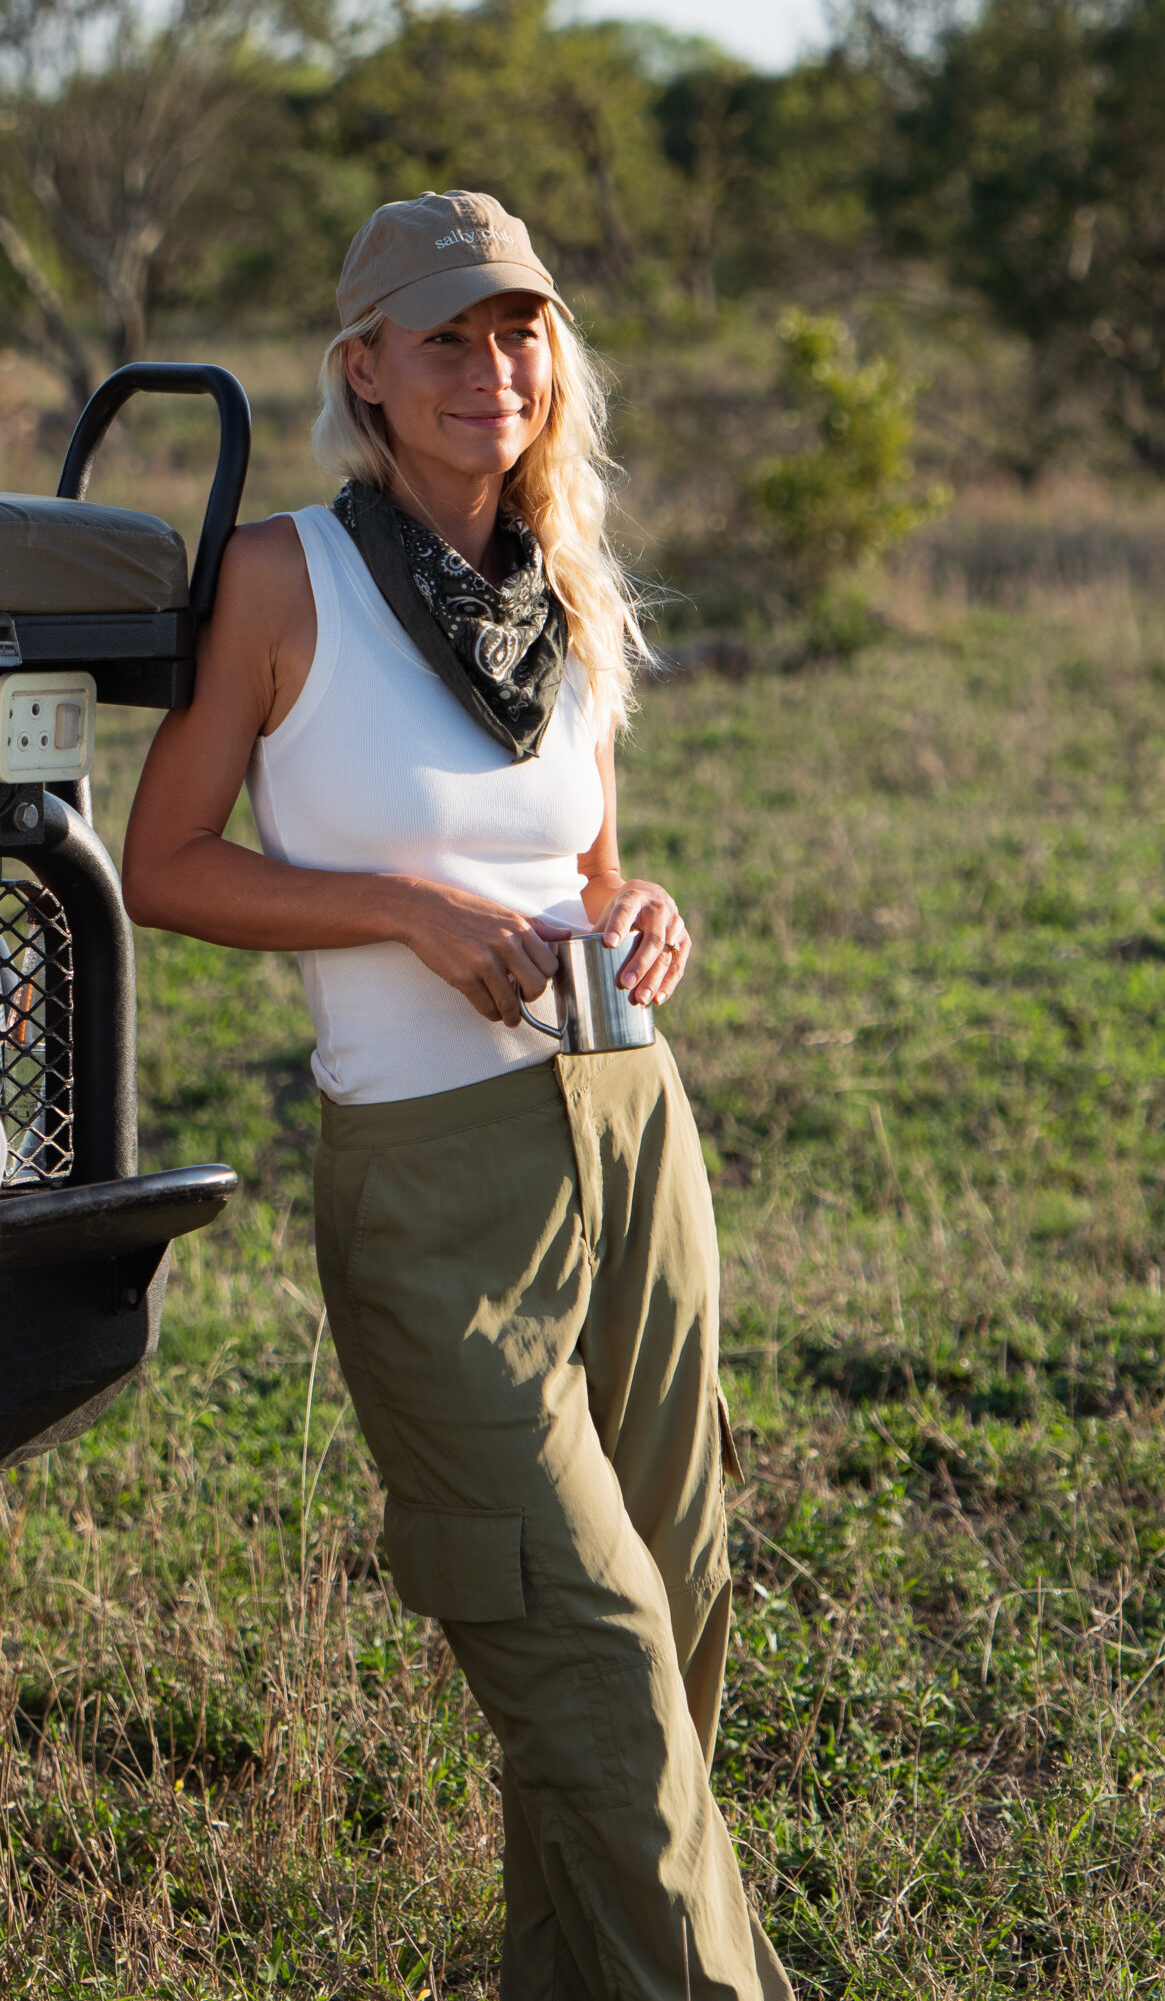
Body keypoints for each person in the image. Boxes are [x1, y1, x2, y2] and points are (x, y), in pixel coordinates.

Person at [125, 189, 791, 2001]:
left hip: (632, 1141)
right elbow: (160, 862)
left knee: (683, 1607)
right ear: (366, 370)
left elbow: (588, 870)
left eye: (519, 329)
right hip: (435, 1188)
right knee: (585, 1649)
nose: (492, 366)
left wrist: (642, 913)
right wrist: (401, 913)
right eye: (445, 335)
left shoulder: (566, 581)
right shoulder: (286, 581)